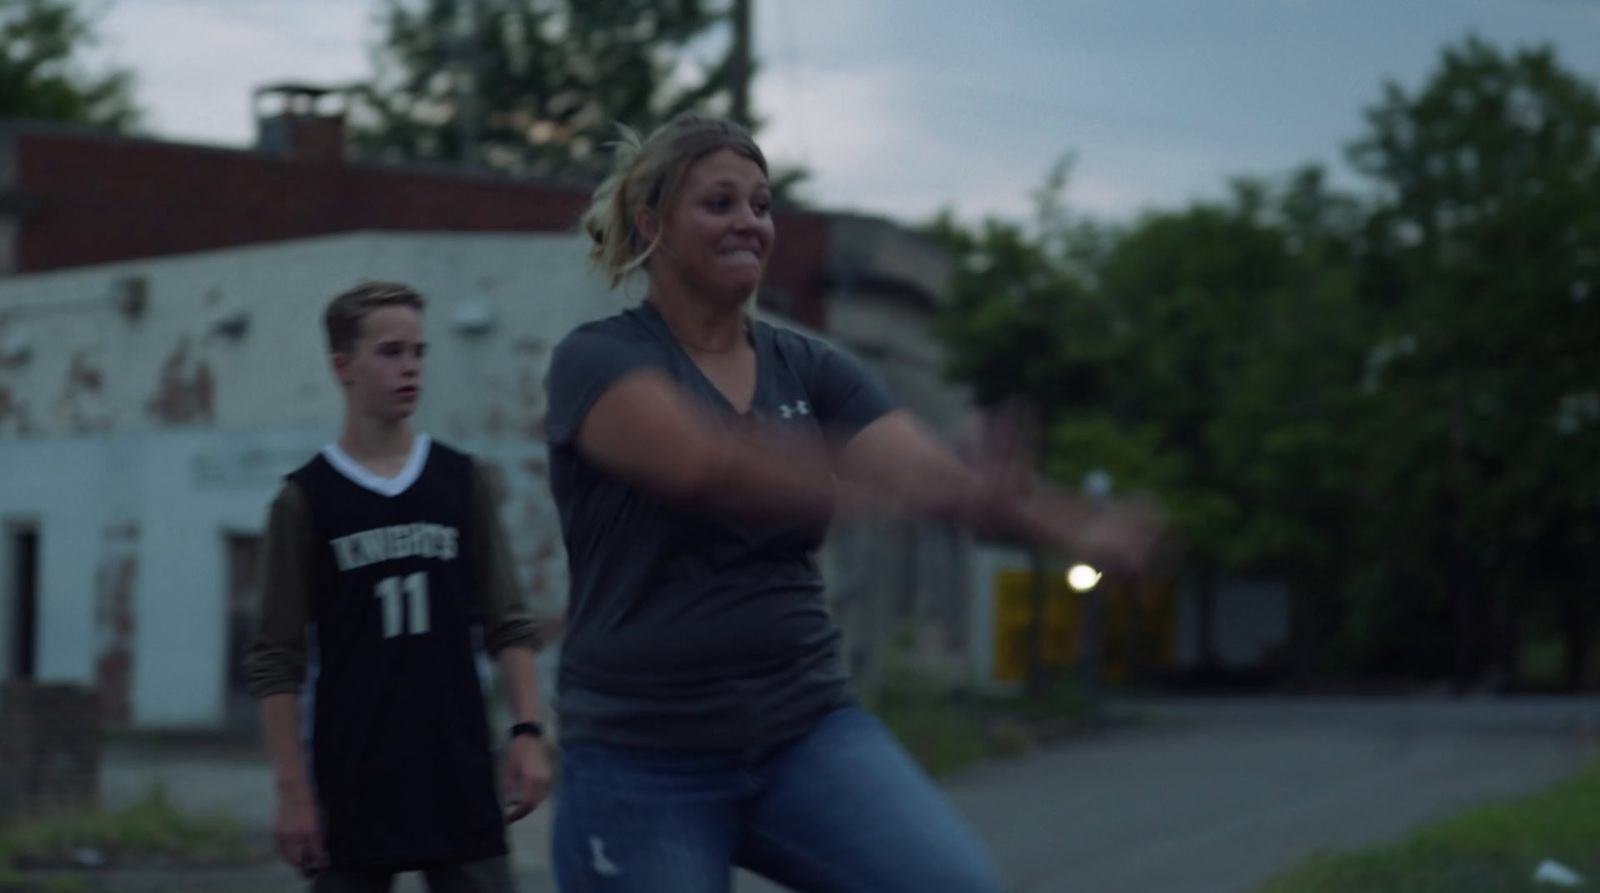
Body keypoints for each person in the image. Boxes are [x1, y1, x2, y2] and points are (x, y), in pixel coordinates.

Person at [542, 113, 1163, 892]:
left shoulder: (811, 368)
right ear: (651, 222)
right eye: (720, 203)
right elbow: (702, 463)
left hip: (803, 730)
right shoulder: (599, 360)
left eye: (761, 205)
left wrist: (1073, 525)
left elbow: (937, 476)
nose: (749, 222)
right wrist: (873, 487)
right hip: (640, 754)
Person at [245, 281, 553, 893]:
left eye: (418, 352)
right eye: (390, 352)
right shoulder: (305, 499)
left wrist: (527, 733)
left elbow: (508, 621)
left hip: (457, 766)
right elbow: (275, 659)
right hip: (351, 772)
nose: (410, 367)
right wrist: (291, 790)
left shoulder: (459, 480)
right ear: (343, 367)